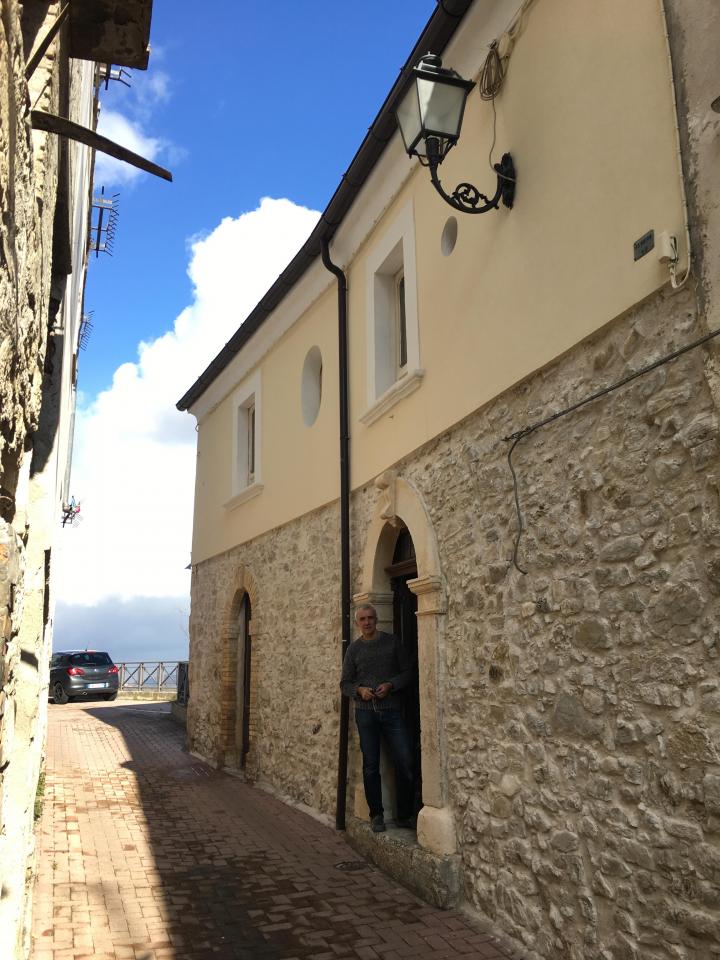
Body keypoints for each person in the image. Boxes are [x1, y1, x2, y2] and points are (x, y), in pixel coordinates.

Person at [340, 603, 415, 833]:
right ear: (357, 623)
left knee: (406, 762)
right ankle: (377, 815)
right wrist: (359, 690)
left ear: (377, 619)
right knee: (371, 766)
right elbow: (345, 683)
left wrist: (391, 684)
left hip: (392, 711)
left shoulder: (392, 642)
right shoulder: (353, 649)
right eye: (362, 619)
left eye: (370, 618)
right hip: (365, 714)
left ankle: (403, 815)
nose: (367, 622)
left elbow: (408, 672)